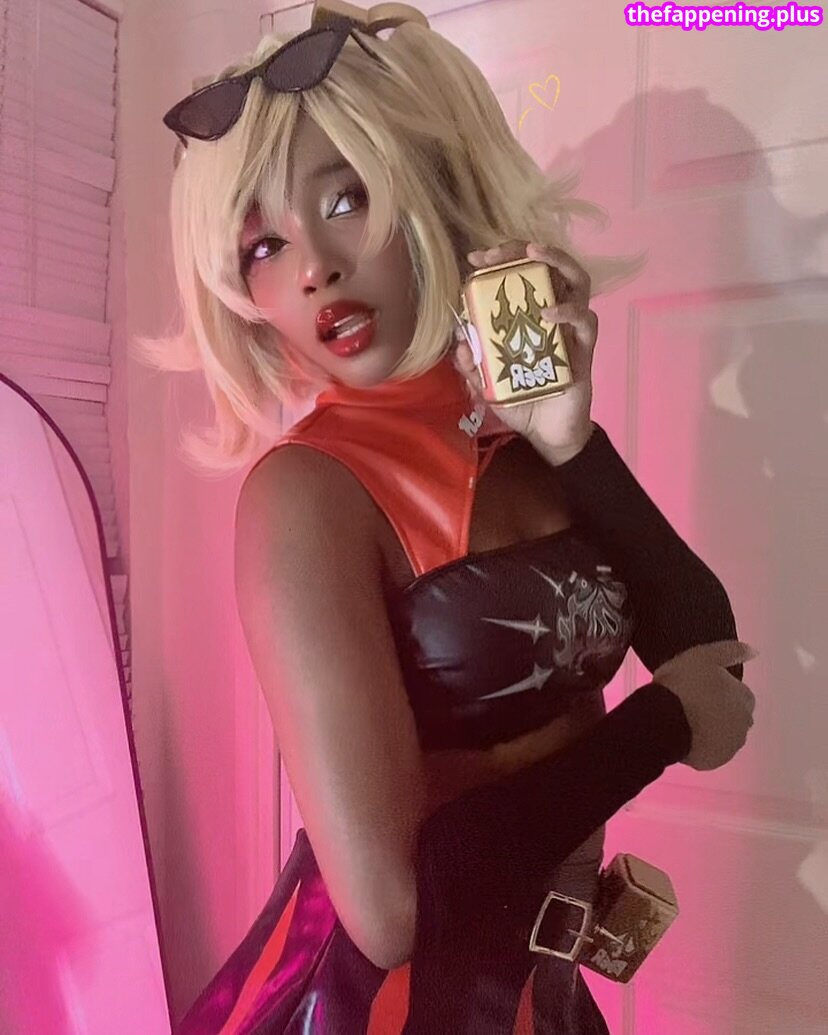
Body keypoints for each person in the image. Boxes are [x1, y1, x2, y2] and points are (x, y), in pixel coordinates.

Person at [143, 4, 758, 1031]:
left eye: (346, 197)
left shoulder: (527, 439)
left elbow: (711, 668)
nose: (313, 266)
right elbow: (391, 910)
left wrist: (572, 440)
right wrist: (657, 726)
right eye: (263, 246)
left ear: (434, 181)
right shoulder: (305, 494)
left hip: (539, 992)